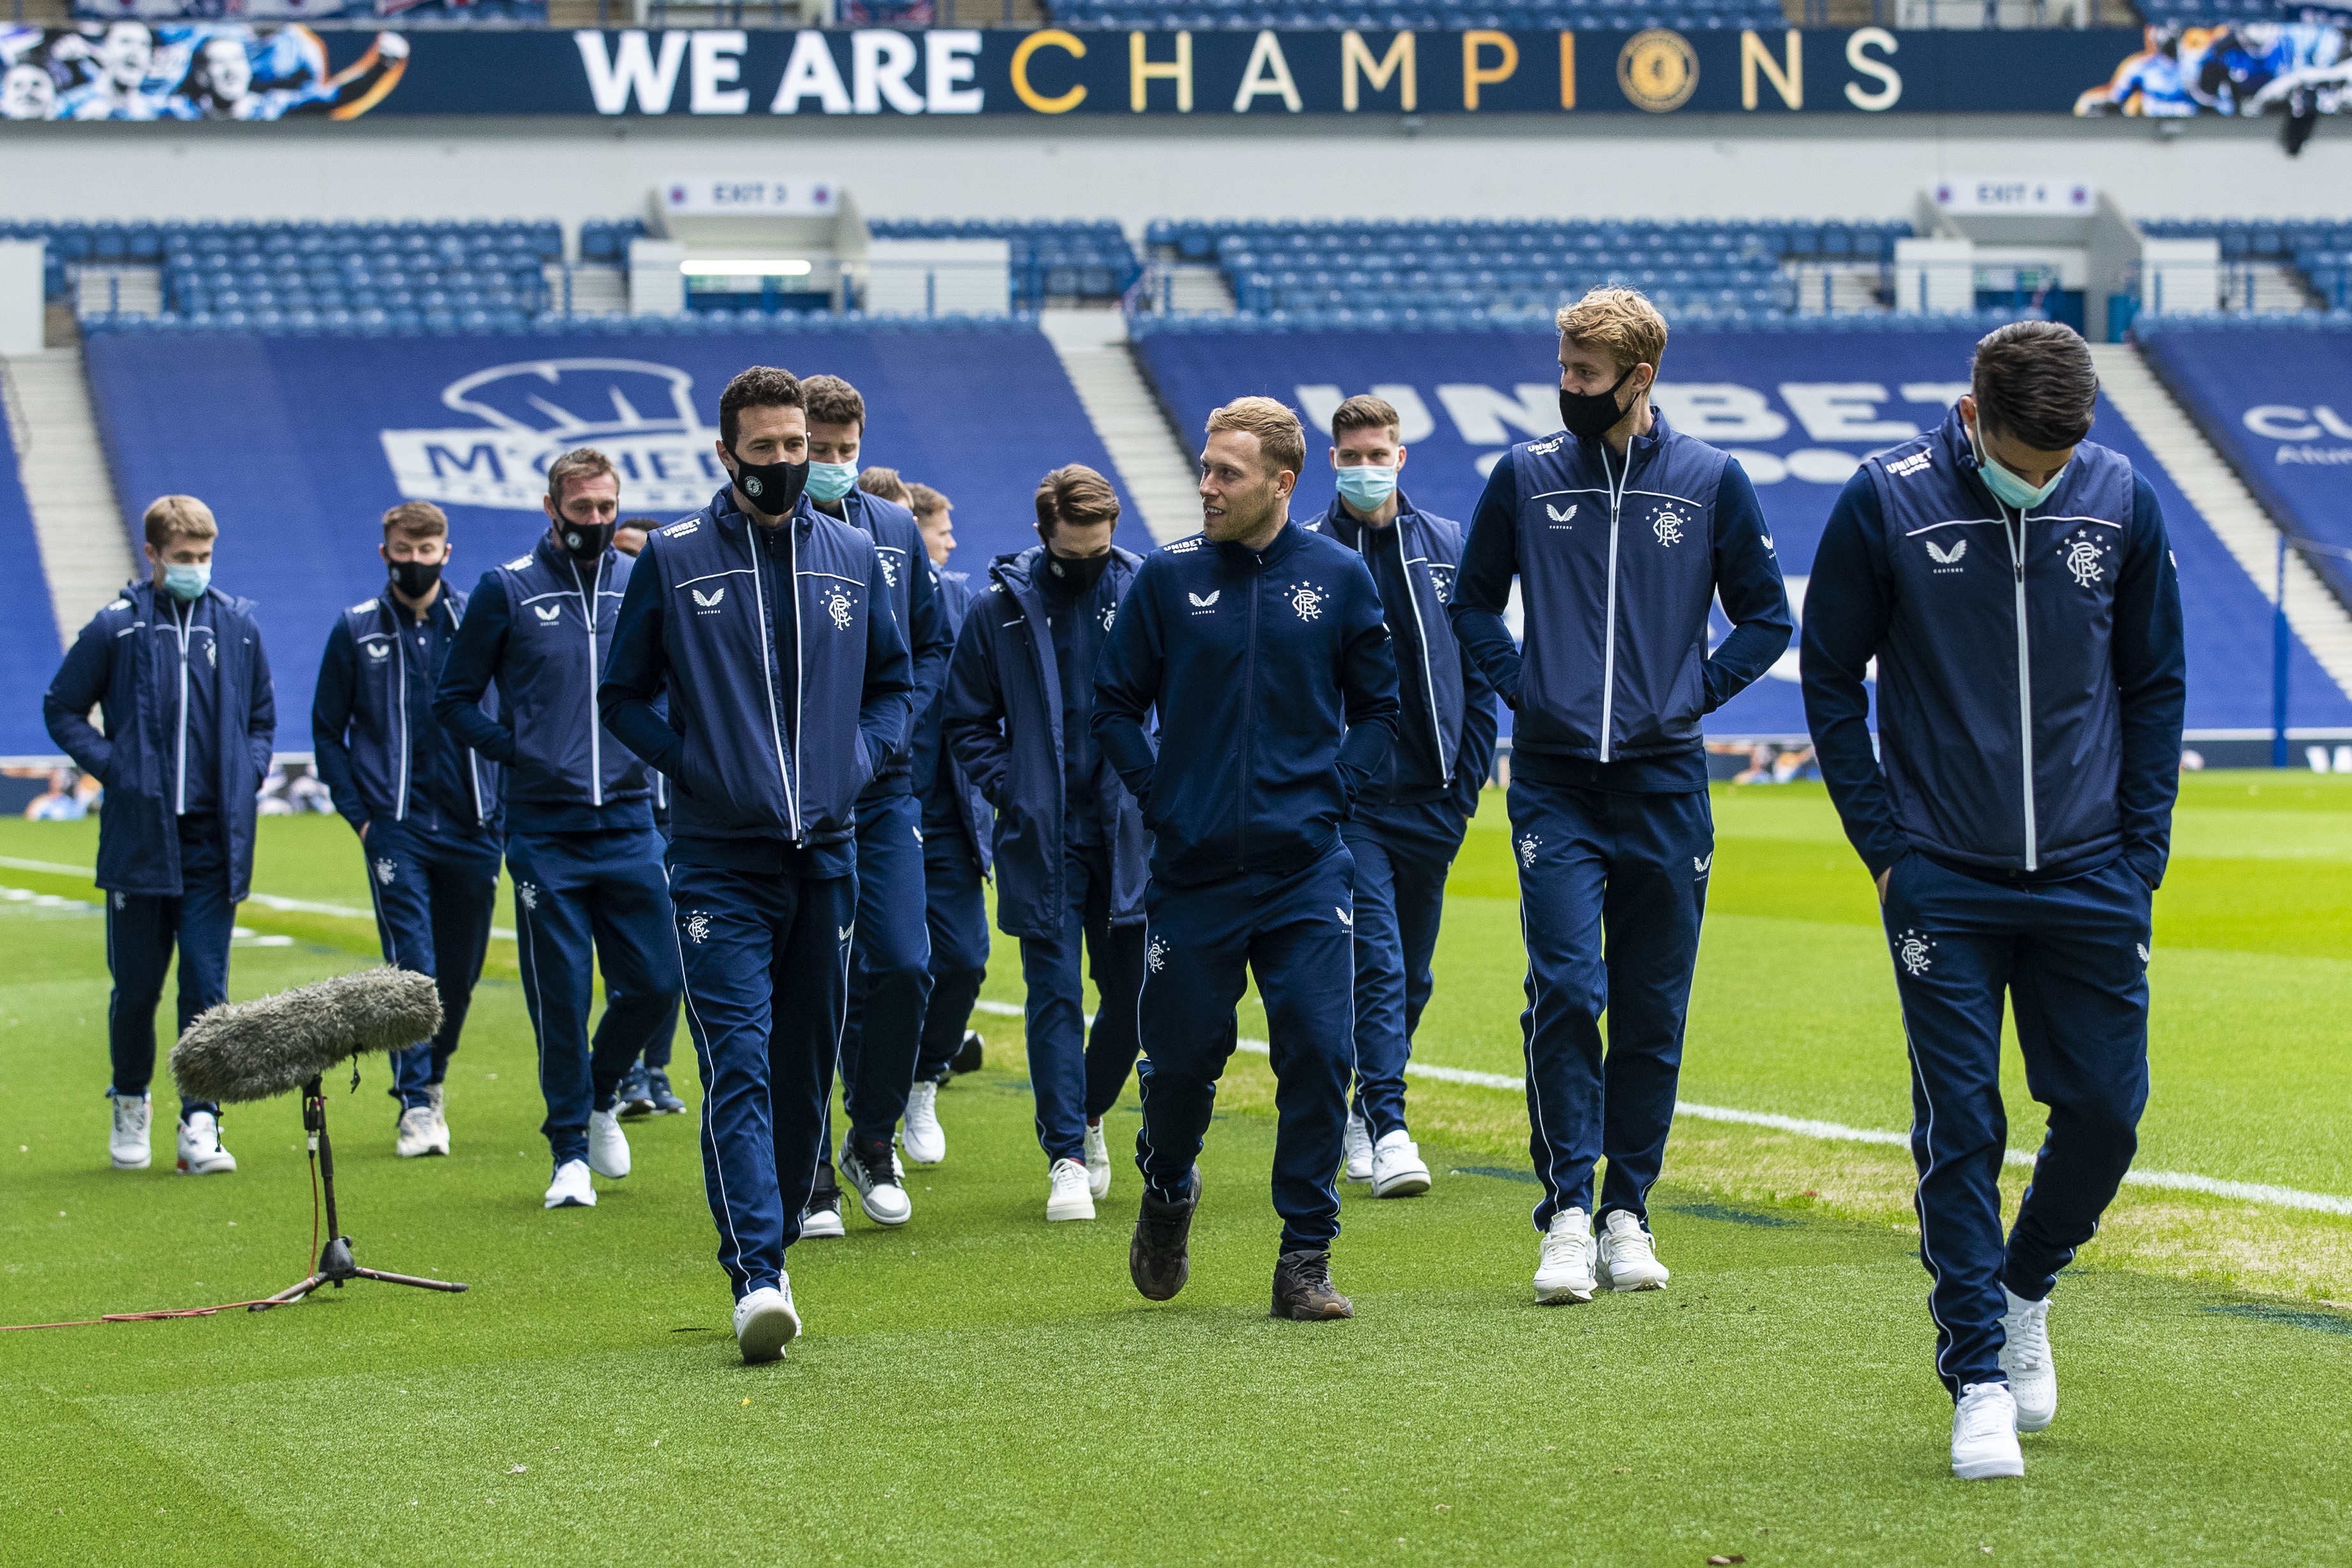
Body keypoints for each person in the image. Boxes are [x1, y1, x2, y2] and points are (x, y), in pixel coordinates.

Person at [1800, 320, 2185, 1481]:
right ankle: (1974, 1373)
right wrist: (1885, 846)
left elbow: (2154, 680)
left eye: (2061, 456)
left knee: (2109, 1113)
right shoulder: (1885, 500)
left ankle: (2025, 1286)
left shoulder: (2119, 499)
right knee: (1960, 1124)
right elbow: (1828, 676)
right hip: (1942, 877)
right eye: (2024, 455)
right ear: (1972, 414)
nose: (2042, 475)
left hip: (2088, 871)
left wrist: (2141, 852)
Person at [1449, 287, 1792, 1306]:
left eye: (1583, 375)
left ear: (1637, 380)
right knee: (1562, 988)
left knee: (1650, 1005)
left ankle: (1626, 1209)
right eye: (1560, 368)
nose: (1565, 388)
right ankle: (1562, 1210)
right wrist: (1527, 691)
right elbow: (1470, 604)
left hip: (1664, 785)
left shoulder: (1708, 482)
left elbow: (1764, 619)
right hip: (1553, 784)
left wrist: (1690, 695)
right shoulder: (1520, 476)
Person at [599, 364, 913, 1364]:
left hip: (827, 853)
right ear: (726, 450)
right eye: (769, 448)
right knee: (736, 1061)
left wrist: (859, 759)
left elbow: (895, 684)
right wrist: (696, 765)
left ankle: (773, 1238)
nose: (788, 464)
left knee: (800, 1068)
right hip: (716, 861)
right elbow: (624, 695)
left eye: (802, 449)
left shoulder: (855, 556)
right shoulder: (676, 558)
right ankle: (757, 1274)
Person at [1094, 397, 1400, 1320]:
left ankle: (1303, 1257)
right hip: (1192, 874)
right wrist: (1161, 796)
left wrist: (1329, 798)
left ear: (1281, 481)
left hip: (1304, 869)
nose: (1206, 486)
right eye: (1203, 468)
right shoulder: (1164, 577)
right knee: (1182, 1063)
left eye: (1226, 472)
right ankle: (1167, 1185)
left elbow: (1379, 709)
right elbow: (1112, 705)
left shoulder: (1339, 577)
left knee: (1318, 1049)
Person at [433, 448, 683, 1211]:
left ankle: (602, 1091)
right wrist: (523, 752)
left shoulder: (641, 584)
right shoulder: (505, 590)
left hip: (632, 821)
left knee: (656, 982)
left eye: (608, 509)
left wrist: (660, 749)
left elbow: (673, 684)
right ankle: (568, 1149)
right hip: (545, 828)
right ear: (552, 509)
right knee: (564, 994)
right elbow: (455, 699)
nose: (599, 522)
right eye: (583, 511)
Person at [43, 494, 274, 1176]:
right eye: (183, 559)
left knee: (207, 986)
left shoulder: (236, 626)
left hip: (215, 840)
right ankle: (130, 1100)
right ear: (151, 556)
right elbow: (62, 707)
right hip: (140, 840)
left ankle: (200, 1120)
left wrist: (251, 773)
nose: (195, 569)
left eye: (204, 557)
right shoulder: (115, 628)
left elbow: (262, 717)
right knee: (138, 988)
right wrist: (116, 769)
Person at [1306, 395, 1498, 1201]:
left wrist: (1467, 783)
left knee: (1411, 976)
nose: (1362, 468)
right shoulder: (1309, 554)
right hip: (1354, 808)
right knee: (1377, 963)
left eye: (1375, 453)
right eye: (1349, 456)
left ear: (1401, 456)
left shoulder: (1449, 545)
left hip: (1434, 799)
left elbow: (1481, 665)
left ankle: (1361, 1106)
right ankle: (1388, 1125)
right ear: (1330, 461)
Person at [945, 464, 1147, 1222]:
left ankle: (1091, 1112)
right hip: (1043, 835)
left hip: (1129, 832)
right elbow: (966, 721)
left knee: (1133, 999)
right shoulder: (994, 608)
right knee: (1054, 997)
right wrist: (1013, 789)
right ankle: (1065, 1152)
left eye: (1101, 550)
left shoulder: (1142, 589)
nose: (1090, 563)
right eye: (1075, 554)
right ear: (1044, 536)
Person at [795, 374, 950, 1232]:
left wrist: (891, 732)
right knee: (811, 977)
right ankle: (811, 1163)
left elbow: (929, 645)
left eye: (844, 452)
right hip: (789, 791)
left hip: (882, 782)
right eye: (817, 452)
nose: (830, 466)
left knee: (900, 963)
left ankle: (872, 1136)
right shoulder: (762, 530)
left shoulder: (893, 528)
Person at [311, 501, 502, 1160]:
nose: (415, 561)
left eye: (428, 550)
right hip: (395, 828)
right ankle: (416, 1101)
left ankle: (435, 1074)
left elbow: (512, 705)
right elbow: (327, 729)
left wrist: (501, 800)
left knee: (459, 972)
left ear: (447, 552)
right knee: (411, 965)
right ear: (385, 549)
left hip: (475, 823)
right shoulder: (355, 629)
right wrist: (360, 815)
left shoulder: (480, 618)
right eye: (404, 548)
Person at [901, 475, 994, 1164]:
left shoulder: (962, 601)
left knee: (963, 959)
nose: (950, 541)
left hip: (951, 820)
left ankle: (926, 1076)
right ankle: (866, 1112)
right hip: (873, 818)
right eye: (941, 529)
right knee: (884, 972)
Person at [609, 514, 687, 1120]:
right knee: (631, 952)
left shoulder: (682, 629)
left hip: (679, 814)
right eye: (623, 553)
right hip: (629, 811)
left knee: (677, 950)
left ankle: (655, 1067)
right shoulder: (618, 633)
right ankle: (628, 1068)